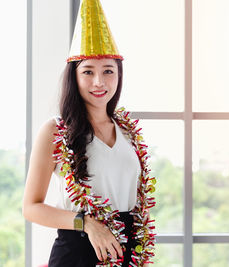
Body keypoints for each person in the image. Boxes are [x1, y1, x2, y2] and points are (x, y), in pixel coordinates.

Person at [22, 1, 156, 266]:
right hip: (78, 253)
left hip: (127, 252)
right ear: (74, 76)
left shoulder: (129, 133)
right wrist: (88, 224)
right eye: (88, 72)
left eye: (108, 71)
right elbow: (31, 207)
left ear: (119, 76)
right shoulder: (56, 130)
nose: (99, 82)